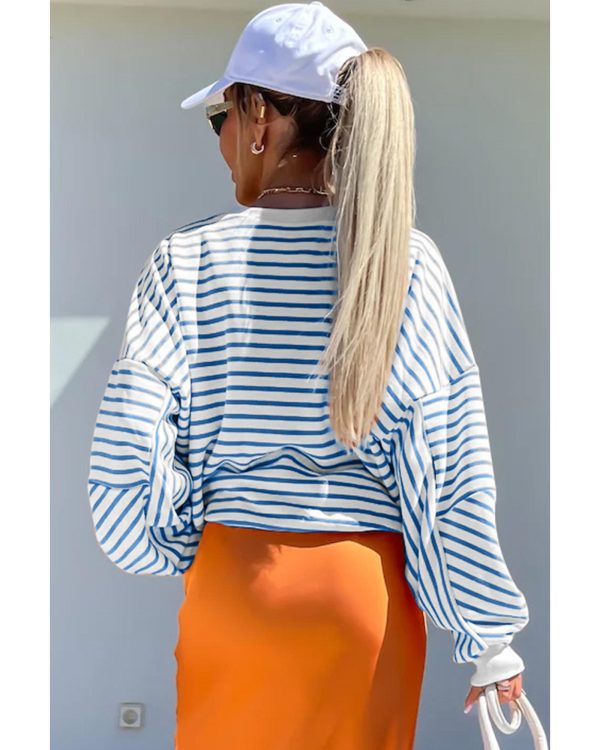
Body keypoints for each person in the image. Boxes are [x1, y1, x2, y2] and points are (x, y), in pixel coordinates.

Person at [87, 3, 530, 748]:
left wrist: (174, 542)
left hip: (235, 593)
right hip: (363, 602)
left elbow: (128, 458)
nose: (221, 140)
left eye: (222, 115)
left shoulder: (186, 261)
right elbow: (447, 469)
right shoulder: (406, 264)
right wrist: (490, 640)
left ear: (261, 116)